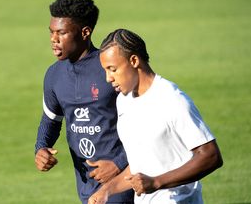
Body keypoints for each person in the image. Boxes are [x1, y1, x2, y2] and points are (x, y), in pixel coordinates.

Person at [88, 29, 223, 204]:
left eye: (112, 69)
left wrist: (157, 182)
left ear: (134, 60)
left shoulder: (172, 99)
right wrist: (106, 191)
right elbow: (141, 163)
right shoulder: (124, 101)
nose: (108, 78)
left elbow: (211, 156)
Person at [34, 0, 134, 204]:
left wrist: (118, 163)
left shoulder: (111, 69)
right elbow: (50, 120)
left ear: (85, 32)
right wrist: (41, 148)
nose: (54, 39)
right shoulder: (53, 75)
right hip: (86, 186)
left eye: (61, 32)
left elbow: (144, 124)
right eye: (51, 32)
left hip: (124, 181)